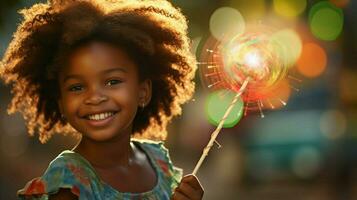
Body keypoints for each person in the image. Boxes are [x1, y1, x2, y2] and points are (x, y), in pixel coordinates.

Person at [0, 0, 203, 199]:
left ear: (143, 91)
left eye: (112, 81)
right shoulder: (68, 182)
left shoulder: (157, 160)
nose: (95, 97)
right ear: (61, 102)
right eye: (77, 87)